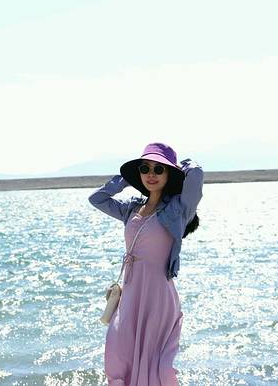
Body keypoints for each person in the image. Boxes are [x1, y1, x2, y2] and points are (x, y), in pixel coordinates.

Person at [88, 142, 204, 386]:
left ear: (169, 174)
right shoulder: (131, 208)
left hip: (158, 297)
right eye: (145, 168)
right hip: (130, 294)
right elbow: (97, 199)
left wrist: (177, 167)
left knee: (159, 367)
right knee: (116, 354)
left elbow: (196, 174)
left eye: (159, 169)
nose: (151, 174)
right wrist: (125, 179)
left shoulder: (178, 209)